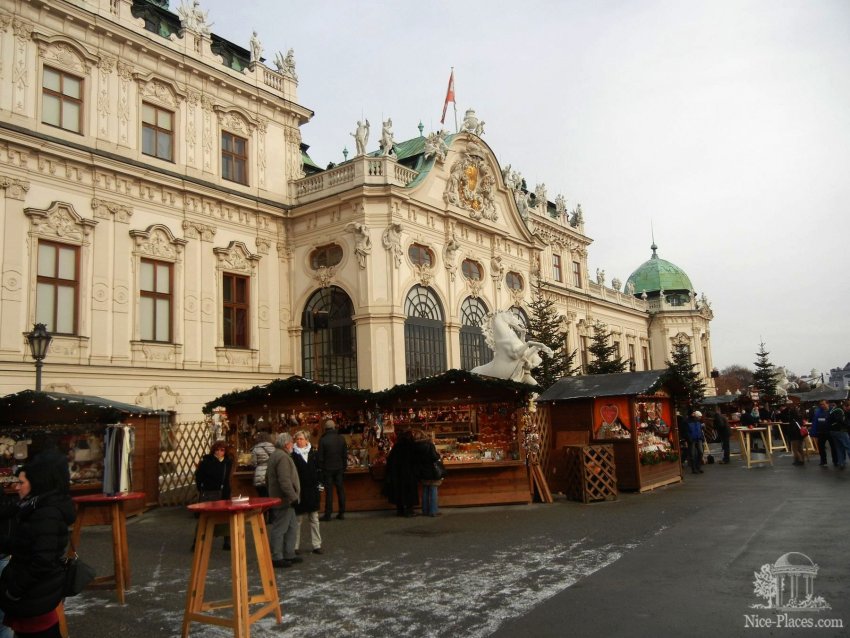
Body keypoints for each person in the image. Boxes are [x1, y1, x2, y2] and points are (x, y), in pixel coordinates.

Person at [0, 458, 75, 638]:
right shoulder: (33, 508)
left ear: (36, 484)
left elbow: (42, 560)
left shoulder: (45, 513)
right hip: (36, 594)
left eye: (21, 482)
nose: (17, 487)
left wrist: (14, 590)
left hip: (35, 594)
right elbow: (26, 545)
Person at [266, 433, 302, 568]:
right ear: (287, 444)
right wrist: (293, 497)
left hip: (281, 497)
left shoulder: (276, 455)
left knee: (292, 527)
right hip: (283, 499)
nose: (293, 444)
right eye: (292, 442)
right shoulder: (282, 457)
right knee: (280, 528)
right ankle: (277, 556)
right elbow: (284, 480)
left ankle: (289, 553)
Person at [193, 441, 232, 550]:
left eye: (222, 450)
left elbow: (227, 479)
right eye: (217, 449)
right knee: (205, 518)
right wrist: (201, 489)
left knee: (225, 518)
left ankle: (227, 541)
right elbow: (199, 476)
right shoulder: (207, 461)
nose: (219, 452)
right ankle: (197, 541)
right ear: (213, 450)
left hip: (224, 493)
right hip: (209, 493)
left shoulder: (228, 462)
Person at [291, 431, 322, 555]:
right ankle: (294, 546)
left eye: (301, 439)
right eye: (297, 439)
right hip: (299, 491)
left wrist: (320, 484)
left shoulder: (314, 454)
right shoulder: (292, 456)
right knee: (298, 520)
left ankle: (317, 545)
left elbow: (319, 470)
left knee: (314, 519)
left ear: (307, 440)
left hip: (313, 490)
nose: (299, 441)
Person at [317, 420, 347, 521]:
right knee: (340, 490)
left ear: (326, 428)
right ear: (334, 427)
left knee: (329, 492)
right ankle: (342, 512)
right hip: (339, 468)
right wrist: (344, 467)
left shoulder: (323, 440)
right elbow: (344, 455)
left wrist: (321, 468)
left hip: (327, 468)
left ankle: (328, 514)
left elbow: (320, 457)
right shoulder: (341, 438)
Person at [384, 429, 419, 517]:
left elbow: (390, 460)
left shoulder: (396, 447)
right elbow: (416, 460)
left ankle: (400, 510)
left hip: (397, 474)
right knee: (409, 492)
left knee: (399, 492)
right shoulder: (412, 446)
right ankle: (409, 511)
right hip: (409, 474)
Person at [414, 430, 443, 517]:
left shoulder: (414, 447)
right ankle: (433, 511)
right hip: (431, 470)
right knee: (433, 489)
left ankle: (425, 510)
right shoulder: (429, 445)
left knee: (425, 490)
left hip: (422, 471)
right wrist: (439, 456)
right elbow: (434, 457)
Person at [811, 400, 838, 467]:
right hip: (821, 432)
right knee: (821, 447)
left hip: (830, 432)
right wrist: (814, 432)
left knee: (833, 447)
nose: (822, 406)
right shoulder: (818, 412)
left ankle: (835, 461)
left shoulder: (832, 411)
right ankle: (823, 461)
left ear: (827, 404)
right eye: (821, 404)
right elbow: (815, 422)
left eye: (823, 404)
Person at [780, 400, 806, 466]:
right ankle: (802, 460)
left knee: (795, 448)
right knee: (800, 448)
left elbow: (791, 429)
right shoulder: (800, 418)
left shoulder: (792, 421)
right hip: (801, 434)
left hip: (794, 435)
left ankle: (797, 460)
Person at [250, 431, 275, 498]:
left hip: (260, 476)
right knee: (272, 497)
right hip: (271, 475)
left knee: (263, 497)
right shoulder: (273, 448)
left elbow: (253, 463)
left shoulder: (255, 449)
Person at [828, 401, 848, 470]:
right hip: (840, 430)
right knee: (848, 446)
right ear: (845, 406)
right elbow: (840, 420)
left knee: (839, 447)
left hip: (832, 431)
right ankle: (841, 462)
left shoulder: (833, 410)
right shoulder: (840, 410)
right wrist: (847, 425)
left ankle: (841, 463)